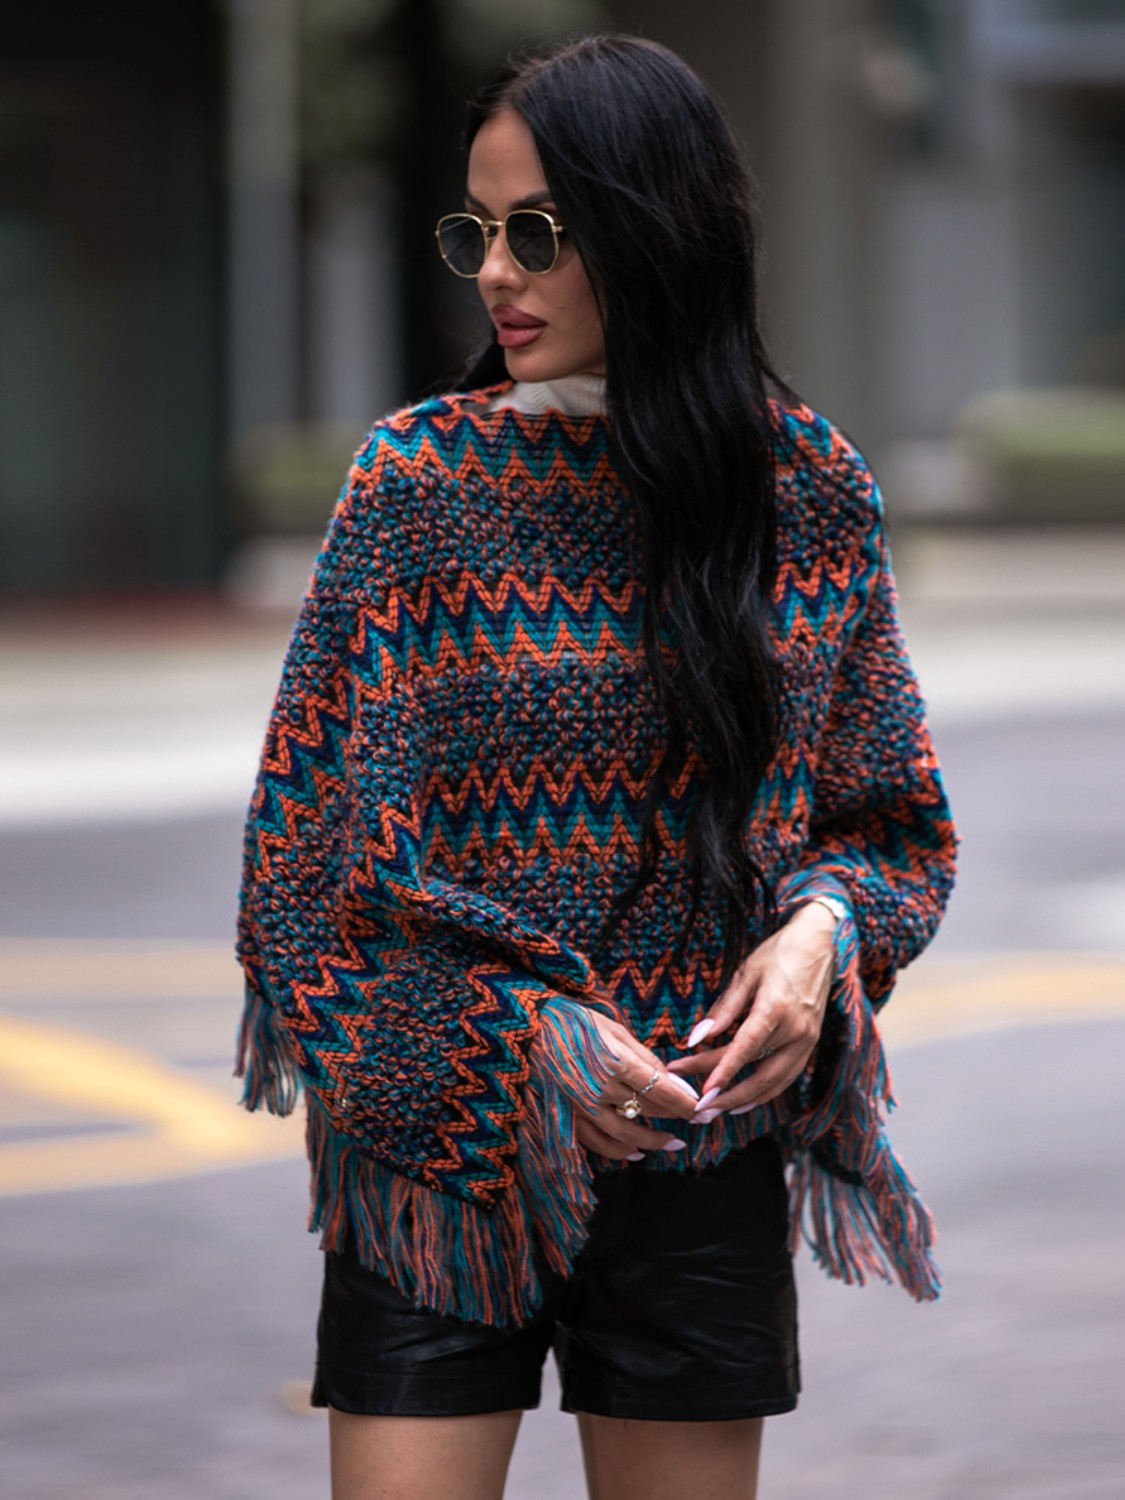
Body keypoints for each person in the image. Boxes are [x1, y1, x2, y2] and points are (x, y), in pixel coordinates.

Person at [233, 33, 957, 1500]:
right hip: (443, 1136)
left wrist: (820, 936)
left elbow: (892, 827)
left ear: (654, 230)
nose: (495, 274)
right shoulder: (416, 488)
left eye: (539, 234)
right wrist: (527, 1047)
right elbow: (298, 884)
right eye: (476, 233)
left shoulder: (806, 492)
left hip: (701, 1140)